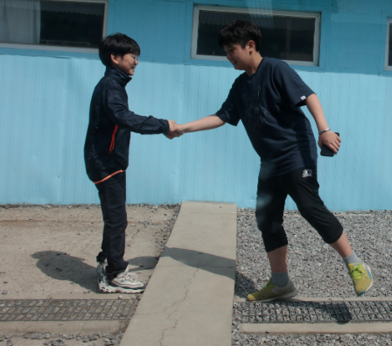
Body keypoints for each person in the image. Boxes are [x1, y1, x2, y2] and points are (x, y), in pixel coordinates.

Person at [170, 20, 373, 301]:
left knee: (309, 207)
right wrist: (183, 128)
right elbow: (222, 116)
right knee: (268, 220)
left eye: (232, 50)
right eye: (226, 52)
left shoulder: (276, 69)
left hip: (296, 153)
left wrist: (324, 130)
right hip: (270, 161)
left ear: (250, 46)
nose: (229, 57)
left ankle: (356, 264)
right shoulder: (240, 85)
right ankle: (281, 284)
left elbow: (309, 96)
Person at [85, 33, 175, 294]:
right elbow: (124, 118)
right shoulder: (110, 86)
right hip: (105, 163)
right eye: (133, 57)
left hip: (109, 161)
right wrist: (163, 125)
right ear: (115, 58)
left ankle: (106, 261)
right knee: (117, 220)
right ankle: (115, 273)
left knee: (115, 217)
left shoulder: (113, 84)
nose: (136, 62)